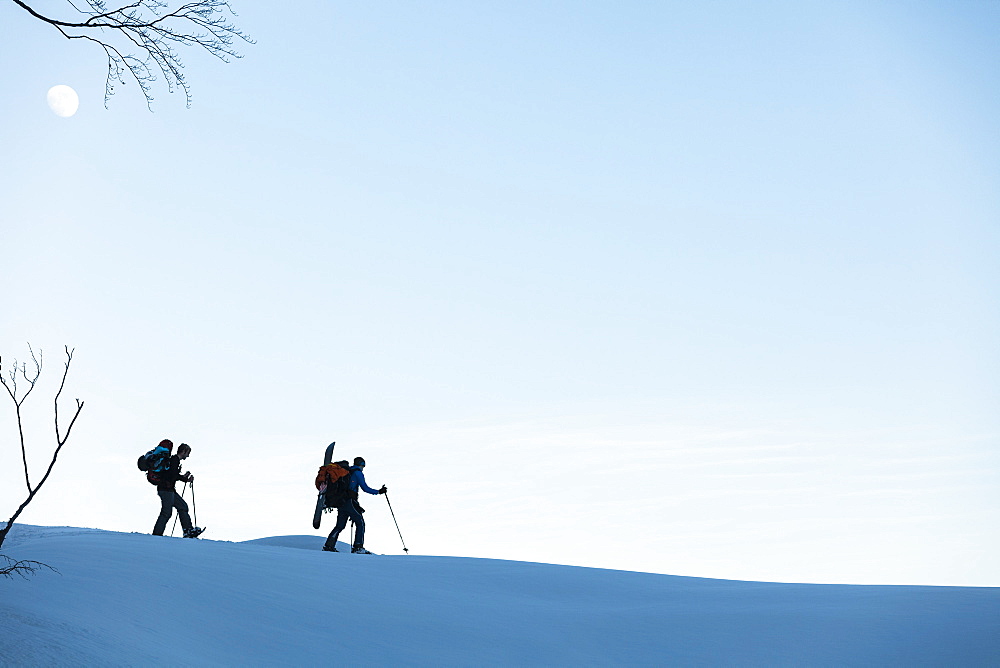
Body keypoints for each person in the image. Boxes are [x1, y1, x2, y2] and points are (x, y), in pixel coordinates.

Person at [323, 456, 387, 554]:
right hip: (350, 501)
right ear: (361, 464)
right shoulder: (357, 473)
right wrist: (378, 491)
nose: (363, 467)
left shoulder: (347, 472)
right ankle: (358, 547)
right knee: (360, 522)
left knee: (340, 525)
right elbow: (365, 488)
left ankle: (329, 545)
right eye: (363, 465)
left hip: (341, 501)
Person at [152, 441, 203, 538]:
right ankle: (157, 535)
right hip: (166, 489)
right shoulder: (175, 459)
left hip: (168, 489)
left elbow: (172, 474)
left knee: (182, 506)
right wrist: (185, 478)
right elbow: (173, 475)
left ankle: (187, 530)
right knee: (166, 512)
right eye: (187, 453)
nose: (188, 456)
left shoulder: (174, 460)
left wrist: (184, 478)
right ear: (183, 451)